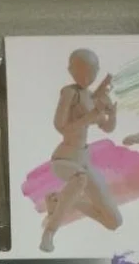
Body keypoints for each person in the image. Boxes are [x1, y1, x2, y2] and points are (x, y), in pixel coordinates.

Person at [40, 49, 121, 253]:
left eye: (92, 72)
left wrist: (111, 114)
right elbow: (61, 126)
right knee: (80, 179)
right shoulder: (70, 93)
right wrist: (90, 116)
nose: (87, 77)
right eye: (81, 72)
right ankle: (49, 232)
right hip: (65, 158)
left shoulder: (92, 97)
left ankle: (62, 200)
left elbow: (107, 127)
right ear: (71, 70)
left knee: (113, 221)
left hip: (84, 160)